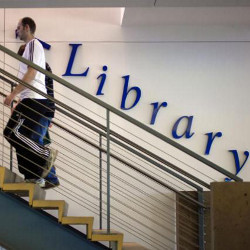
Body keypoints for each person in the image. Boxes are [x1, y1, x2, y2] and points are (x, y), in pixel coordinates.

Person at [3, 17, 57, 186]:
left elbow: (32, 73)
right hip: (30, 99)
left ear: (26, 27)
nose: (16, 30)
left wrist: (13, 95)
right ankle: (34, 176)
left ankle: (44, 156)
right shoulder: (30, 49)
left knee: (13, 133)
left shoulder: (33, 45)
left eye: (18, 27)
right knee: (19, 136)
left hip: (34, 99)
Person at [16, 44, 60, 189]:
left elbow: (46, 91)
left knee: (34, 141)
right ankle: (34, 177)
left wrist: (48, 114)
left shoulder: (38, 68)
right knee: (30, 140)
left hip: (40, 108)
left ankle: (48, 177)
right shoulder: (40, 67)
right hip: (39, 108)